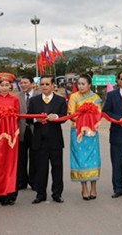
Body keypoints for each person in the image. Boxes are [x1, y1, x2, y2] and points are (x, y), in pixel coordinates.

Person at [27, 75, 67, 204]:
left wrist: (55, 116)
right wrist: (35, 119)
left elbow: (64, 117)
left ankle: (57, 194)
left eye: (47, 84)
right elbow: (28, 118)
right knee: (40, 169)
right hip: (39, 140)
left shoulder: (60, 100)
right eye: (42, 84)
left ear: (53, 86)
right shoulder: (34, 100)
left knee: (57, 168)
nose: (44, 86)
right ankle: (40, 194)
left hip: (55, 141)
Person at [68, 72, 103, 200]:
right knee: (81, 160)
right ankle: (84, 188)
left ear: (89, 85)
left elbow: (98, 115)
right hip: (77, 132)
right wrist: (82, 119)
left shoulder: (96, 98)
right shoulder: (74, 97)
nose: (80, 86)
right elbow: (71, 114)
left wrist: (90, 120)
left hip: (92, 133)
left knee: (93, 159)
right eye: (79, 84)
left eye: (83, 84)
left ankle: (94, 187)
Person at [0, 72, 20, 205]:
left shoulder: (15, 100)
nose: (5, 87)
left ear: (11, 86)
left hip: (13, 135)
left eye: (7, 85)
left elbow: (18, 115)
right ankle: (1, 193)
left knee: (12, 163)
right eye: (2, 85)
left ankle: (12, 192)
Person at [17, 76, 40, 190]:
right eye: (21, 83)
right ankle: (22, 181)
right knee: (21, 157)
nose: (23, 85)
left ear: (32, 83)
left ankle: (34, 180)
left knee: (35, 156)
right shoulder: (17, 97)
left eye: (26, 83)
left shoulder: (39, 96)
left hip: (34, 129)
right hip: (21, 130)